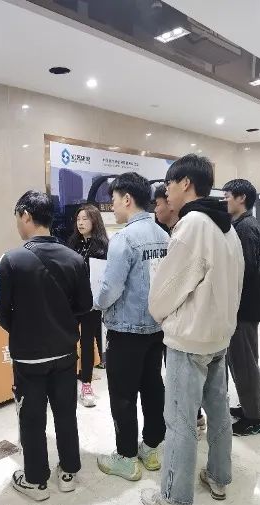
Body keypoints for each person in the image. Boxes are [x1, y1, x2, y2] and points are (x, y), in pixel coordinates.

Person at [142, 154, 244, 505]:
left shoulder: (192, 225)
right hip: (219, 335)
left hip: (189, 338)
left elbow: (166, 289)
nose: (166, 192)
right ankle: (219, 476)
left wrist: (160, 313)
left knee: (181, 420)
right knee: (218, 412)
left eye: (169, 184)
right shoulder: (226, 227)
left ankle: (174, 497)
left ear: (185, 183)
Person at [0, 191, 92, 501]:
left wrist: (23, 331)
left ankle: (36, 480)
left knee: (32, 418)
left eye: (17, 217)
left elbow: (2, 312)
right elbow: (84, 306)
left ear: (26, 215)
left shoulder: (11, 260)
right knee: (66, 413)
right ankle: (68, 472)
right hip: (65, 353)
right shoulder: (75, 259)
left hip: (28, 358)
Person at [94, 172, 170, 481]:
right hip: (156, 327)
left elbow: (110, 288)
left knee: (122, 395)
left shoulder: (124, 239)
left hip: (125, 330)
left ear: (127, 199)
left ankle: (126, 457)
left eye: (113, 200)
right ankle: (150, 449)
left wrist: (96, 302)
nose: (112, 206)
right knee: (152, 387)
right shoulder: (163, 236)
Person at [154, 185, 207, 440]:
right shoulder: (173, 231)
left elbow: (175, 286)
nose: (156, 209)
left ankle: (191, 421)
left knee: (185, 385)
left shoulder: (186, 232)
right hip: (177, 321)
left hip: (183, 324)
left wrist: (158, 311)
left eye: (159, 203)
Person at [222, 179, 260, 436]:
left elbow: (245, 269)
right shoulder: (244, 224)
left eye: (228, 195)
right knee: (242, 360)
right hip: (245, 306)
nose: (225, 200)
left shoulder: (245, 228)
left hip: (243, 308)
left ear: (241, 198)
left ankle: (255, 419)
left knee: (244, 363)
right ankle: (249, 407)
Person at [67, 204, 108, 407]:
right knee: (68, 340)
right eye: (78, 219)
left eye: (85, 219)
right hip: (72, 302)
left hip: (92, 303)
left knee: (87, 342)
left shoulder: (103, 246)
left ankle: (86, 384)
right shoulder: (72, 244)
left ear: (94, 221)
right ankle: (67, 381)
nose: (81, 223)